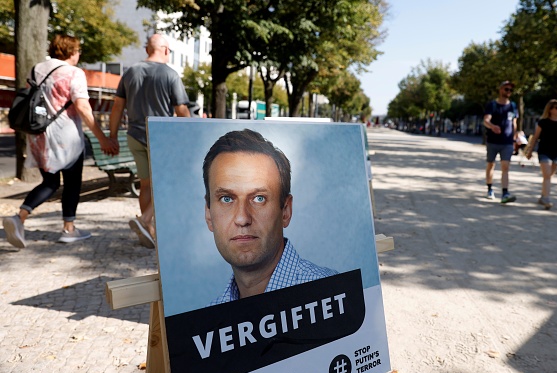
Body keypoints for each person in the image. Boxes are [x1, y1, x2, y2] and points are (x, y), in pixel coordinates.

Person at [2, 35, 118, 249]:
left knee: (50, 182)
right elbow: (82, 107)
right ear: (72, 52)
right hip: (66, 137)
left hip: (39, 135)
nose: (79, 54)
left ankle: (20, 218)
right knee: (72, 183)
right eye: (78, 51)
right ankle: (68, 229)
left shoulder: (37, 68)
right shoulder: (74, 73)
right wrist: (102, 138)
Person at [203, 129, 338, 304]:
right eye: (226, 198)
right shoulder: (211, 319)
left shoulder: (331, 294)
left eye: (259, 199)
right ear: (208, 214)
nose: (242, 218)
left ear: (286, 211)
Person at [109, 34, 191, 248]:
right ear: (166, 50)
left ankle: (149, 230)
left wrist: (112, 136)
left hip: (134, 135)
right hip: (160, 137)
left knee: (145, 184)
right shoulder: (170, 74)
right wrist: (192, 133)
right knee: (167, 184)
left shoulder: (130, 72)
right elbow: (181, 109)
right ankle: (145, 220)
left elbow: (117, 107)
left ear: (148, 50)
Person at [525, 99, 557, 209]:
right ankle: (547, 199)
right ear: (550, 109)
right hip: (544, 152)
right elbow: (535, 137)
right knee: (547, 175)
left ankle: (543, 195)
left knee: (548, 176)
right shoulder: (543, 122)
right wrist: (530, 150)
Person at [483, 81, 518, 203]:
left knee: (505, 166)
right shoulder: (492, 105)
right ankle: (489, 188)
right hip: (493, 141)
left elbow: (514, 123)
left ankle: (505, 193)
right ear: (501, 90)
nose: (508, 92)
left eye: (510, 90)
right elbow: (486, 120)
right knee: (491, 165)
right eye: (506, 89)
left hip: (507, 142)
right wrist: (492, 126)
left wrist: (515, 136)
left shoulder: (513, 106)